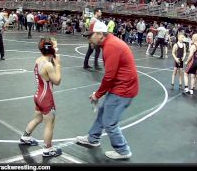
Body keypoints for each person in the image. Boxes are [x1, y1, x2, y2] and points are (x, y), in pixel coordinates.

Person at [77, 21, 139, 160]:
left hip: (123, 89)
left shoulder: (111, 46)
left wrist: (97, 95)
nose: (89, 39)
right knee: (103, 112)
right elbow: (112, 75)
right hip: (120, 86)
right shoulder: (109, 43)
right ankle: (92, 138)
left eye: (90, 35)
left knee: (109, 122)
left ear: (99, 34)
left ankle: (123, 150)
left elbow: (110, 76)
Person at [20, 37, 62, 157]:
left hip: (38, 95)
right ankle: (48, 149)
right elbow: (57, 81)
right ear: (50, 49)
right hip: (46, 98)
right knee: (50, 125)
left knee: (38, 118)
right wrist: (58, 65)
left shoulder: (39, 60)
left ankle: (25, 137)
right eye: (55, 46)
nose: (57, 48)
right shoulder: (48, 65)